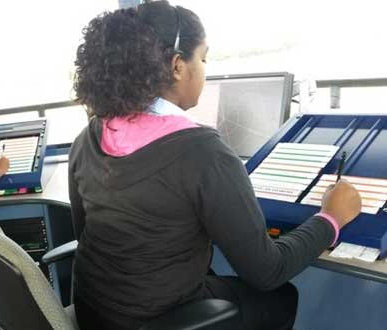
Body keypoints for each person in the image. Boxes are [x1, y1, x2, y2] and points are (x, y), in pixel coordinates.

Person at [68, 1, 362, 330]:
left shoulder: (87, 137)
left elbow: (84, 233)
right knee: (280, 297)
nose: (205, 69)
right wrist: (330, 219)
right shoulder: (203, 152)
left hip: (95, 313)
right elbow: (267, 271)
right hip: (154, 318)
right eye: (203, 58)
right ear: (178, 66)